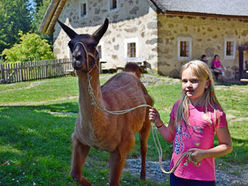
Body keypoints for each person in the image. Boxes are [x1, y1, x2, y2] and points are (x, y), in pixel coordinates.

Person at [149, 60, 232, 186]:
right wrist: (158, 122)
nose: (188, 85)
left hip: (203, 178)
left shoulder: (215, 112)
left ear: (207, 83)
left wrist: (204, 154)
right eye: (184, 81)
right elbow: (169, 136)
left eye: (194, 81)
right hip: (177, 174)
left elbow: (227, 146)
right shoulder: (178, 106)